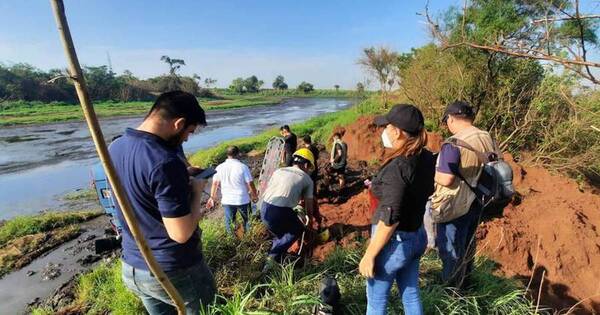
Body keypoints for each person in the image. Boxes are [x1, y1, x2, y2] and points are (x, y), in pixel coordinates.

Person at [109, 91, 215, 314]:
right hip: (173, 270)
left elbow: (142, 185)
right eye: (189, 132)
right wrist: (196, 190)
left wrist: (182, 176)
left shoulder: (115, 147)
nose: (187, 139)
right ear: (179, 123)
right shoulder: (165, 162)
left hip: (133, 266)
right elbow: (181, 233)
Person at [358, 104, 435, 315]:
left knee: (376, 300)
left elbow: (391, 217)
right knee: (410, 294)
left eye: (387, 126)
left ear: (397, 132)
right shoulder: (426, 157)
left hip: (395, 243)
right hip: (417, 236)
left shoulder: (398, 168)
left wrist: (370, 254)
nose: (384, 131)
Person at [432, 100, 496, 288]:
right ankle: (465, 283)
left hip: (455, 204)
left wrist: (431, 171)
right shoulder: (485, 136)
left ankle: (451, 290)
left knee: (450, 249)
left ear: (451, 118)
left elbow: (446, 179)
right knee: (467, 246)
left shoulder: (453, 143)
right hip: (477, 200)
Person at [260, 148, 316, 265]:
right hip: (279, 211)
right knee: (296, 229)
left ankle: (278, 255)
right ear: (306, 164)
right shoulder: (307, 179)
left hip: (264, 208)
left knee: (280, 234)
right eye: (308, 167)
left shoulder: (279, 171)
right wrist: (309, 219)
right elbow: (309, 204)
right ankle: (272, 257)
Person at [206, 145, 258, 235]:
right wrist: (254, 195)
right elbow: (250, 183)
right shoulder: (243, 167)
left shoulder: (219, 167)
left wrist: (212, 198)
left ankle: (232, 239)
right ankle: (249, 237)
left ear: (227, 155)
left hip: (227, 200)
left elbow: (215, 184)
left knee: (229, 221)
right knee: (247, 220)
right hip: (242, 199)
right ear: (238, 154)